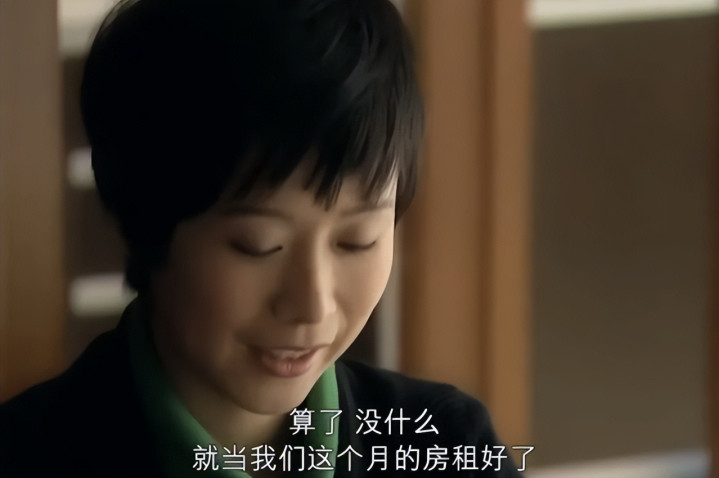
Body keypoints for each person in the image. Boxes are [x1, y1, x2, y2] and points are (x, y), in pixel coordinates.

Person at [0, 0, 522, 476]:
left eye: (357, 240)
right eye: (258, 245)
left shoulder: (446, 446)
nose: (312, 305)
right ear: (146, 224)